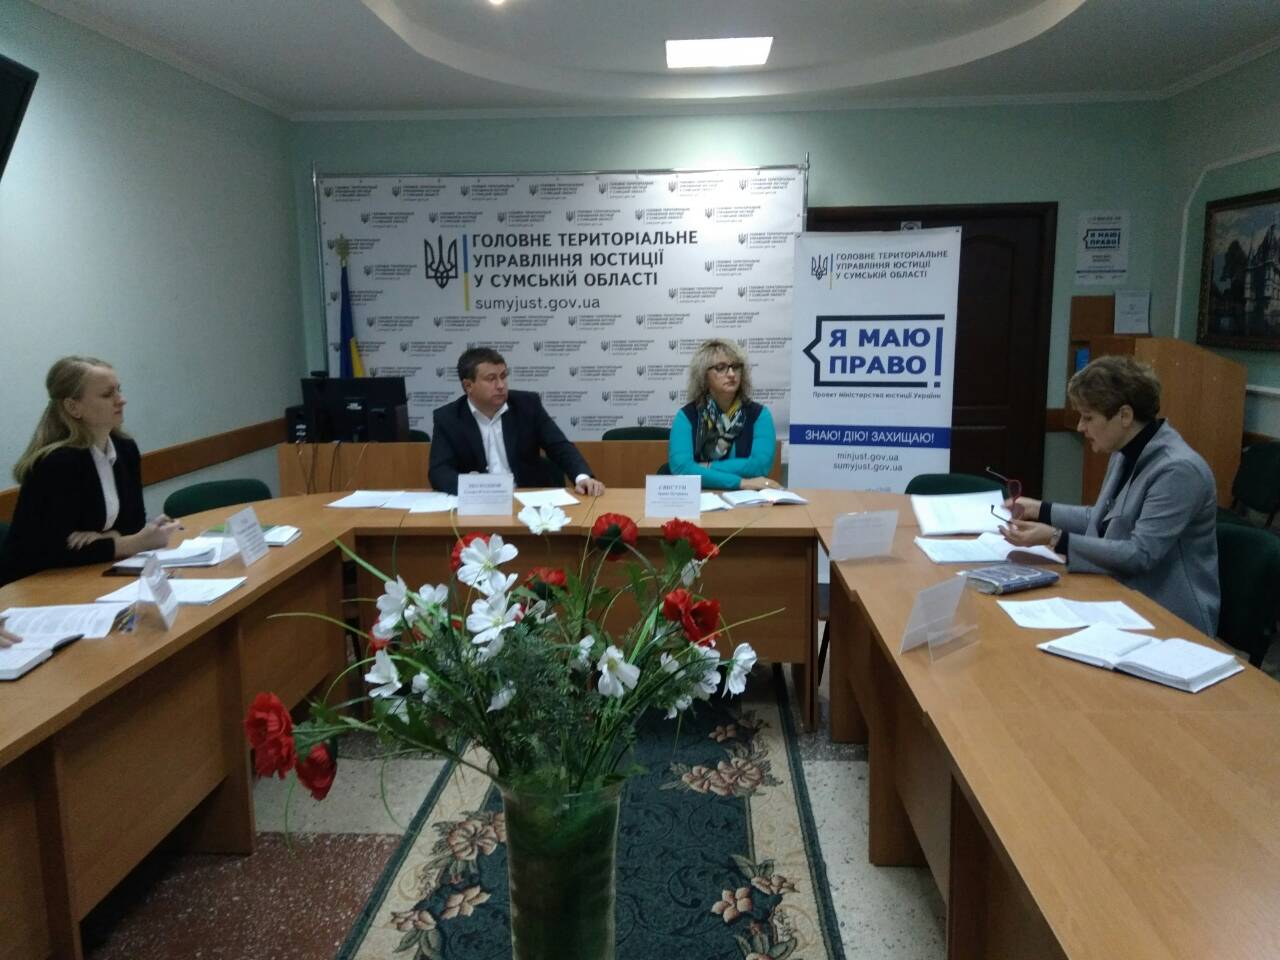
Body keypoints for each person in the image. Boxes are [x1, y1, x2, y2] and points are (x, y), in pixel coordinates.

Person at [1000, 355, 1219, 636]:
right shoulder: (1124, 452)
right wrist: (1040, 509)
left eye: (1088, 417)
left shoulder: (1178, 470)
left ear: (1125, 416)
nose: (1080, 427)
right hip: (1119, 596)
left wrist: (1056, 538)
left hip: (1169, 618)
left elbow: (1140, 554)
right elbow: (1105, 519)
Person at [0, 357, 180, 586]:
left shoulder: (125, 449)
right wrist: (129, 543)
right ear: (73, 407)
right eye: (107, 395)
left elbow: (133, 523)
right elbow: (47, 552)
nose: (121, 400)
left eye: (119, 390)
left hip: (88, 573)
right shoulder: (56, 464)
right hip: (34, 586)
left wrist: (108, 537)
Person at [428, 347, 606, 496]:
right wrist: (475, 489)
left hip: (526, 500)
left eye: (503, 376)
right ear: (468, 386)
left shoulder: (527, 405)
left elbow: (559, 446)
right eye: (491, 379)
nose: (501, 385)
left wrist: (582, 477)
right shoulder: (448, 418)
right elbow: (439, 471)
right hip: (478, 504)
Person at [668, 339, 777, 491]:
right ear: (703, 376)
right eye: (720, 368)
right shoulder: (687, 417)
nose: (731, 374)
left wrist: (707, 466)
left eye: (736, 367)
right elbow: (682, 469)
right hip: (701, 498)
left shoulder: (759, 415)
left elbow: (759, 467)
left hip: (747, 500)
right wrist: (740, 483)